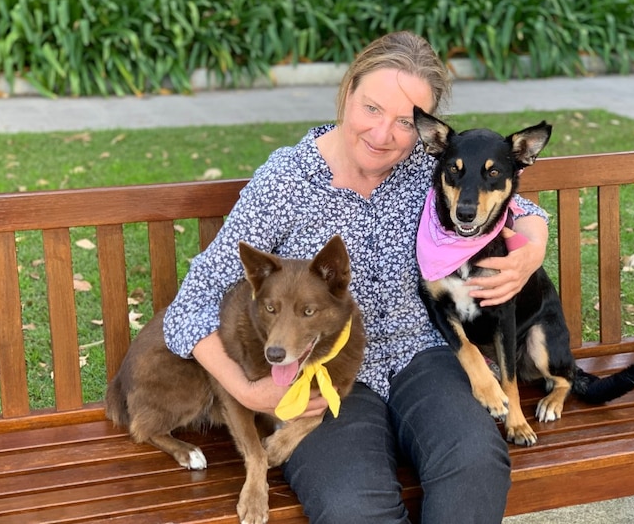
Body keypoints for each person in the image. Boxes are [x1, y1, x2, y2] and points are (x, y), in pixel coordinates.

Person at [163, 30, 549, 523]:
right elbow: (192, 300)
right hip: (326, 375)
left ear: (425, 129)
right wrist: (248, 391)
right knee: (353, 505)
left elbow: (520, 206)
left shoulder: (426, 166)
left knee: (476, 464)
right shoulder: (287, 180)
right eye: (371, 108)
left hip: (424, 353)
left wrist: (532, 248)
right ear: (347, 93)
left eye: (405, 122)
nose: (383, 134)